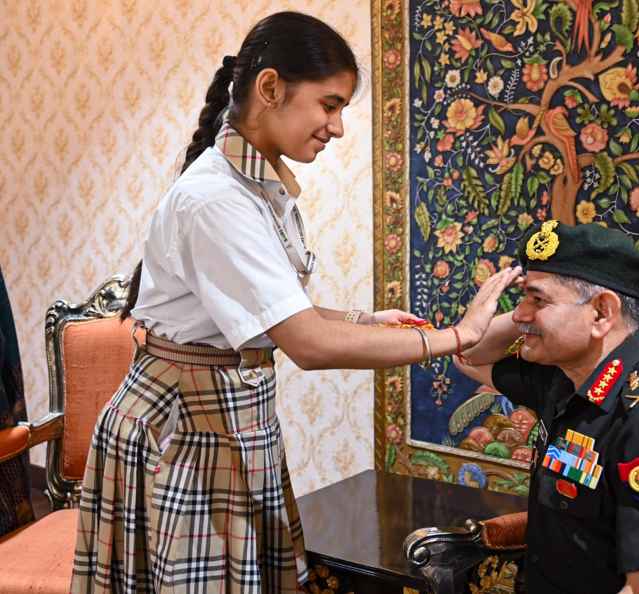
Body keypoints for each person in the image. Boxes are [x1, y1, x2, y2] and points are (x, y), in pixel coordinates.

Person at [70, 11, 521, 594]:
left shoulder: (260, 187)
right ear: (270, 88)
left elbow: (279, 311)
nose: (335, 128)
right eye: (329, 105)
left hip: (228, 423)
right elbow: (305, 343)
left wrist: (363, 320)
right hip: (184, 435)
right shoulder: (216, 200)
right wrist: (457, 336)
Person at [454, 221, 639, 594]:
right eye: (522, 298)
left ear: (602, 314)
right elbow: (467, 353)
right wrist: (526, 311)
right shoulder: (563, 378)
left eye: (538, 300)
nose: (520, 314)